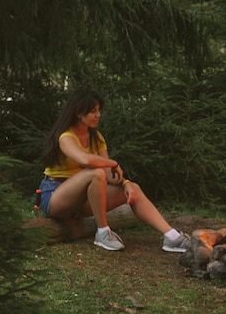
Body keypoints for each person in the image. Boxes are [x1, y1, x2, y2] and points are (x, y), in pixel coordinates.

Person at [38, 89, 190, 252]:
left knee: (134, 188)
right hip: (56, 197)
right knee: (95, 173)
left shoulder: (97, 138)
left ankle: (172, 237)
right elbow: (86, 160)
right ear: (78, 113)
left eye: (98, 111)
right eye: (92, 111)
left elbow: (110, 174)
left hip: (84, 199)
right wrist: (112, 163)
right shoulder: (66, 137)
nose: (98, 115)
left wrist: (125, 183)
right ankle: (103, 232)